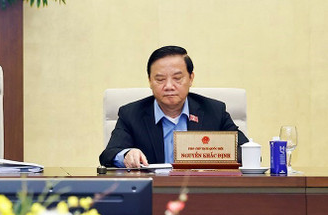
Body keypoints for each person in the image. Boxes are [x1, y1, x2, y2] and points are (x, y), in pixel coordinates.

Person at [100, 45, 249, 168]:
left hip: (201, 192)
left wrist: (215, 153)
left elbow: (247, 152)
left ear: (191, 78)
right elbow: (109, 154)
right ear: (150, 81)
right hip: (153, 193)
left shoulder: (214, 111)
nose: (169, 86)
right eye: (160, 79)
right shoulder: (131, 114)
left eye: (177, 78)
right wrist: (126, 155)